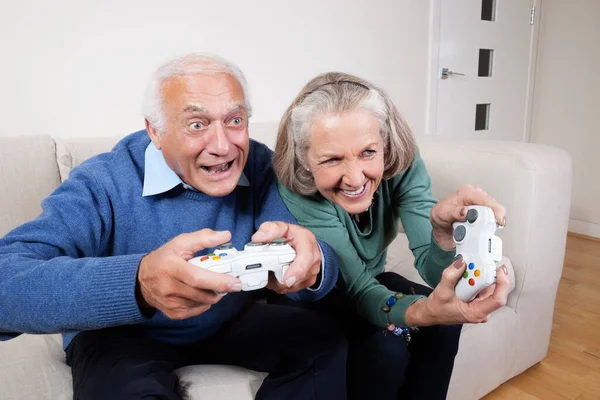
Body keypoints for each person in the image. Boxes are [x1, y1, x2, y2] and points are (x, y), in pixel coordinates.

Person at [0, 54, 349, 400]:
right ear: (155, 131)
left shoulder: (260, 164)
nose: (223, 145)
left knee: (324, 341)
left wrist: (315, 262)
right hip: (119, 333)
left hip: (226, 318)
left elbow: (309, 259)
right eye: (197, 124)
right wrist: (140, 282)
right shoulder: (102, 182)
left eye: (234, 120)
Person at [271, 72, 510, 399]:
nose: (355, 178)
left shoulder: (404, 166)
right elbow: (358, 291)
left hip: (369, 279)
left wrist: (441, 235)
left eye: (368, 152)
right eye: (331, 159)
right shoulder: (297, 191)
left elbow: (435, 271)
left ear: (385, 142)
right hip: (312, 298)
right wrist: (425, 311)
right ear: (304, 161)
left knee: (446, 323)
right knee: (385, 350)